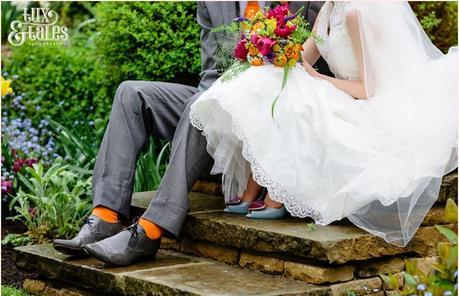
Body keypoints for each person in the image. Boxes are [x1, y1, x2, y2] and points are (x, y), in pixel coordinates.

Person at [52, 1, 328, 266]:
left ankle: (150, 229)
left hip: (274, 108)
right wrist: (210, 99)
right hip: (219, 95)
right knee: (131, 94)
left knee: (204, 104)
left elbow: (315, 63)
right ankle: (105, 216)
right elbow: (211, 70)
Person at [189, 1, 458, 247]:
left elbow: (367, 89)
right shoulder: (330, 7)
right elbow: (303, 57)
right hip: (345, 94)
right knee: (275, 84)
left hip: (369, 104)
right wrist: (272, 50)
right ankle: (260, 184)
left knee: (304, 102)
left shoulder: (355, 13)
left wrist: (317, 78)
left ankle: (274, 193)